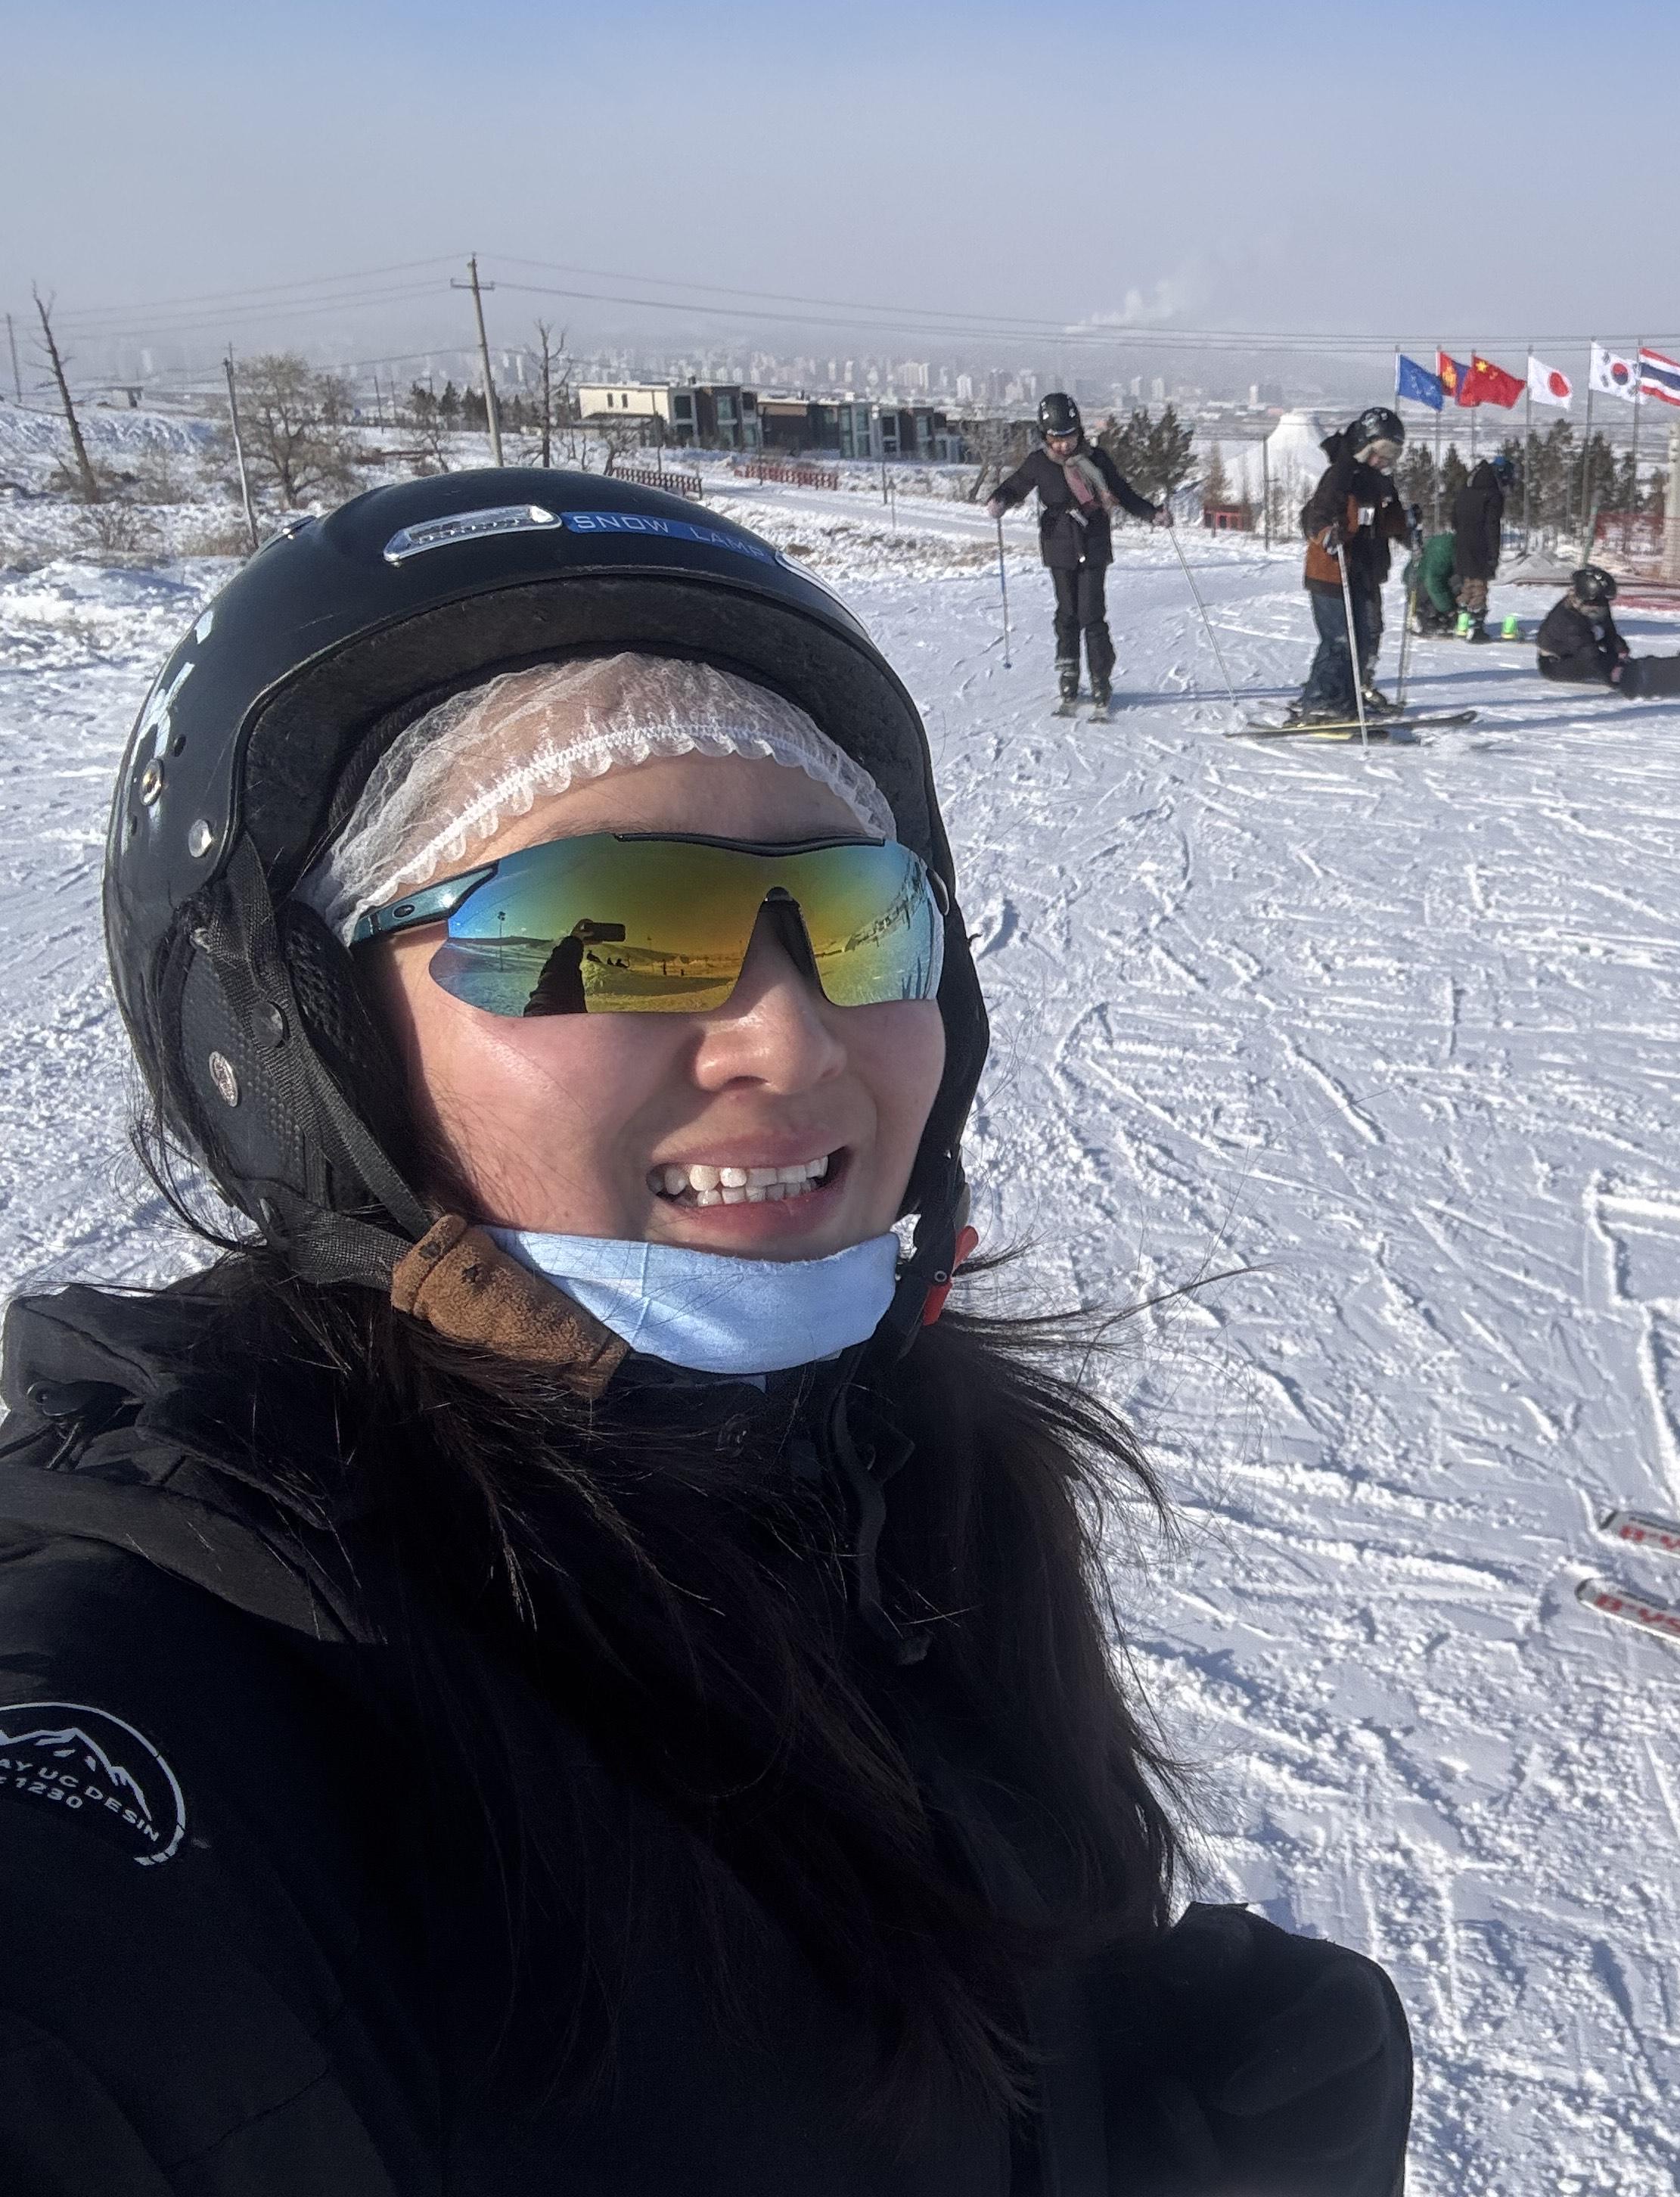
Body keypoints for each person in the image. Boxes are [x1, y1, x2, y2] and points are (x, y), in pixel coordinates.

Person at [0, 469, 1411, 2193]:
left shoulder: (907, 1469)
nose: (795, 1040)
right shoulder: (205, 1661)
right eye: (605, 934)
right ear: (299, 1039)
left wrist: (1121, 2126)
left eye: (860, 920)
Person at [986, 390, 1167, 721]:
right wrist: (1000, 500)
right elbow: (1016, 485)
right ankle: (1068, 676)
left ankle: (1100, 679)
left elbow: (1124, 493)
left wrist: (1152, 513)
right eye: (1055, 439)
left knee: (1092, 614)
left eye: (1068, 437)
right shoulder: (1039, 463)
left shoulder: (1097, 460)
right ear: (1045, 437)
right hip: (1058, 544)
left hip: (1093, 542)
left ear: (1079, 431)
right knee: (1067, 613)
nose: (1062, 445)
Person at [1290, 406, 1414, 726]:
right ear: (1364, 445)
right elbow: (1316, 514)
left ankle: (1344, 697)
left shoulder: (1379, 482)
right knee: (1339, 640)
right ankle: (1321, 700)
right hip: (1332, 571)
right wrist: (1325, 534)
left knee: (1360, 640)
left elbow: (1390, 521)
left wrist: (1409, 528)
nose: (1385, 460)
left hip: (1361, 572)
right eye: (1381, 451)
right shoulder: (1341, 475)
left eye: (1392, 454)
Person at [1535, 564, 1638, 695]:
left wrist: (1621, 653)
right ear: (1584, 599)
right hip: (1555, 663)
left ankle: (1630, 672)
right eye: (1596, 603)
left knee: (1612, 659)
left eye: (1604, 602)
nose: (1601, 607)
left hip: (1582, 651)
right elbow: (1588, 655)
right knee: (1591, 664)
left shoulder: (1599, 610)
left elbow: (1610, 635)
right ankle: (1620, 676)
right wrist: (1612, 672)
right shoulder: (1568, 618)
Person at [1449, 450, 1508, 639]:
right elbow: (1492, 526)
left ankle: (1461, 623)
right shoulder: (1492, 495)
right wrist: (1493, 554)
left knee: (1467, 585)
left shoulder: (1465, 492)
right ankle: (1477, 628)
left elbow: (1454, 520)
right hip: (1481, 546)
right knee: (1479, 586)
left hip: (1462, 545)